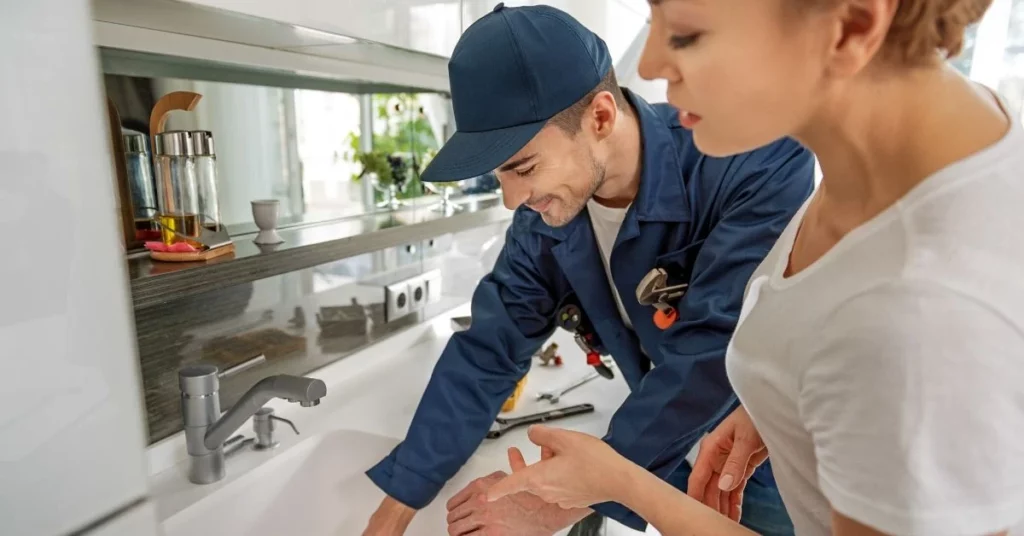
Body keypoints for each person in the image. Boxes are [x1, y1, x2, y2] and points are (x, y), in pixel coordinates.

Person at [486, 0, 1024, 534]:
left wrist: (620, 482)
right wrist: (780, 405)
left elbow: (883, 354)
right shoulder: (905, 151)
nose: (648, 66)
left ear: (851, 27)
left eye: (687, 33)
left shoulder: (921, 311)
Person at [361, 4, 815, 536]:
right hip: (660, 453)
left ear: (600, 117)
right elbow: (489, 351)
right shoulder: (547, 220)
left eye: (524, 168)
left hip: (766, 454)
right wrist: (393, 511)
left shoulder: (751, 161)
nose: (512, 201)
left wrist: (572, 497)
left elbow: (713, 350)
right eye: (499, 176)